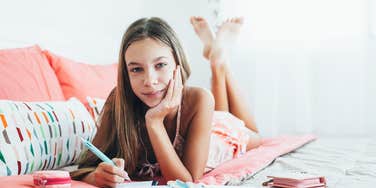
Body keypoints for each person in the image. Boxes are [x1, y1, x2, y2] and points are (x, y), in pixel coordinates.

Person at [71, 16, 261, 187]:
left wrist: (154, 122)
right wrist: (96, 176)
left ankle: (219, 64)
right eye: (137, 69)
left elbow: (185, 182)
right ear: (125, 74)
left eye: (160, 65)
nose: (149, 81)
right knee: (219, 112)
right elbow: (84, 168)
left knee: (254, 136)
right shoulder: (118, 101)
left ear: (177, 65)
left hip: (217, 138)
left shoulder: (200, 99)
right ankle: (216, 59)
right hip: (204, 123)